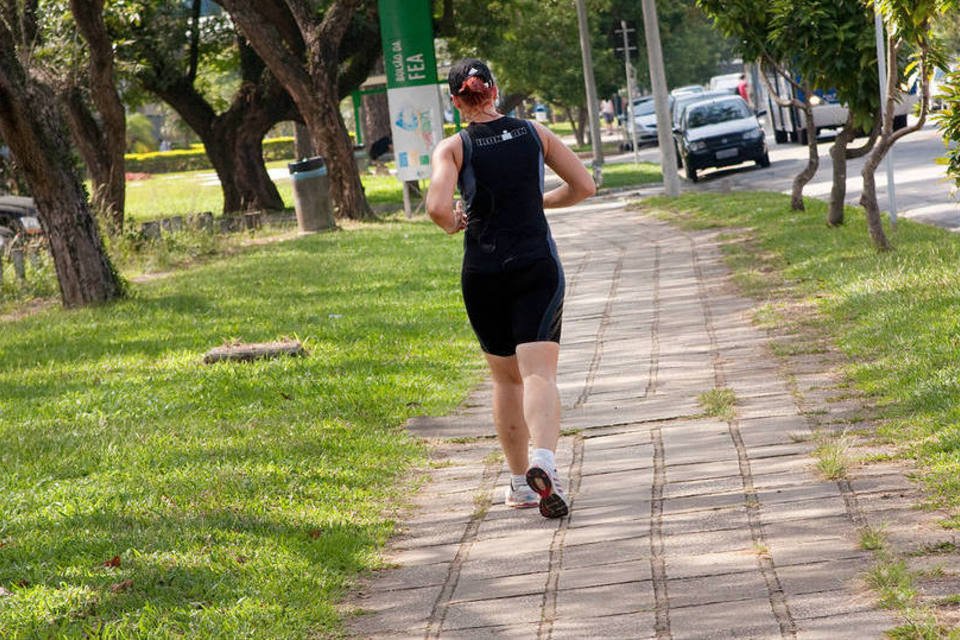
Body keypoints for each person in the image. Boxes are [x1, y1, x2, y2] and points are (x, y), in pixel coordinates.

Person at [426, 59, 595, 518]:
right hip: (536, 265)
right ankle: (545, 460)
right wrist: (540, 200)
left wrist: (452, 223)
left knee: (505, 378)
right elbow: (583, 185)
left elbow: (436, 206)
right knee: (539, 372)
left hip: (483, 271)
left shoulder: (454, 147)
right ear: (494, 91)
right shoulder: (534, 133)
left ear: (457, 101)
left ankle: (521, 482)